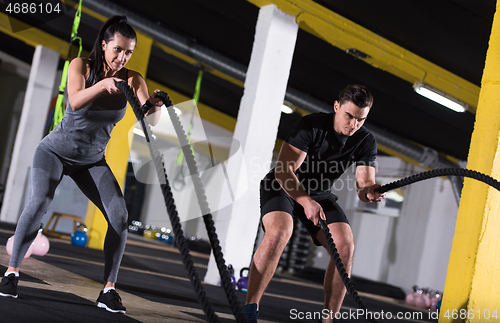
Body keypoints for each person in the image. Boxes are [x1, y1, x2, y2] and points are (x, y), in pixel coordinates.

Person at [0, 15, 163, 314]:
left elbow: (147, 118)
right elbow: (73, 101)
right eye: (117, 49)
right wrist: (103, 86)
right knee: (39, 202)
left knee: (120, 216)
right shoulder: (81, 66)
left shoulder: (132, 79)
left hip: (91, 161)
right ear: (103, 45)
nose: (122, 57)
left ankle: (108, 290)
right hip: (54, 152)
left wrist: (156, 104)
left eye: (128, 52)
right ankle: (11, 272)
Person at [242, 84, 386, 323]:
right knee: (279, 232)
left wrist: (370, 192)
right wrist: (304, 200)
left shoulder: (365, 141)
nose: (354, 125)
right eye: (349, 116)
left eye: (360, 120)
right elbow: (284, 170)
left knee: (345, 247)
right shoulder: (312, 125)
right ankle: (250, 309)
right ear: (336, 107)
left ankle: (330, 319)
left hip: (319, 194)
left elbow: (364, 184)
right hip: (282, 185)